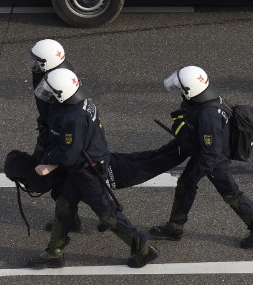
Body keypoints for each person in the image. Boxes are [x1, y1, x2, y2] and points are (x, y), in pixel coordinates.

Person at [29, 69, 158, 268]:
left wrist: (49, 162)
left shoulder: (71, 117)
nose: (48, 93)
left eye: (52, 91)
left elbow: (69, 154)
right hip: (85, 165)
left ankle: (143, 248)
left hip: (86, 170)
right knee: (64, 203)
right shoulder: (81, 100)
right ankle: (54, 251)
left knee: (107, 214)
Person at [142, 66, 253, 249]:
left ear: (190, 90)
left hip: (214, 160)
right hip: (210, 152)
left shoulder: (207, 115)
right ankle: (175, 227)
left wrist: (195, 175)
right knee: (186, 183)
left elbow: (210, 153)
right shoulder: (206, 95)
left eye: (181, 88)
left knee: (229, 193)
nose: (179, 90)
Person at [28, 39, 83, 232]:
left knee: (63, 184)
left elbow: (58, 117)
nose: (32, 64)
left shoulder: (54, 81)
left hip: (58, 138)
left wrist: (49, 144)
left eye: (36, 61)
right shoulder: (58, 75)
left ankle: (68, 222)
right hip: (53, 133)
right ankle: (70, 219)